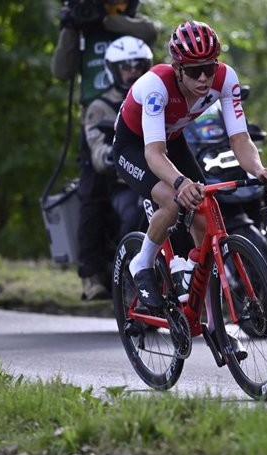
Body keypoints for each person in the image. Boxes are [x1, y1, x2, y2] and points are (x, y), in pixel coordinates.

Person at [111, 20, 267, 318]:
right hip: (135, 146)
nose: (203, 78)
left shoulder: (226, 78)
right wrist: (180, 183)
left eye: (208, 68)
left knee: (205, 214)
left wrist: (259, 170)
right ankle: (143, 262)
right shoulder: (156, 85)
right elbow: (153, 154)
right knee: (172, 200)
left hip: (173, 139)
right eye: (193, 70)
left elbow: (240, 139)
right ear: (177, 67)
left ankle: (208, 313)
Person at [51, 0, 160, 300]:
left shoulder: (133, 26)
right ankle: (91, 273)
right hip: (101, 114)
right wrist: (71, 27)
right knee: (92, 193)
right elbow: (61, 71)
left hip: (138, 111)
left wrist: (105, 18)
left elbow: (152, 31)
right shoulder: (83, 33)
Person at [80, 34, 153, 286]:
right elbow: (97, 150)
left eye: (139, 66)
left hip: (162, 175)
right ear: (113, 70)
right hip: (124, 183)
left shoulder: (156, 96)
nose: (133, 72)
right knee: (136, 216)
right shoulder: (100, 106)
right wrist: (112, 154)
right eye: (126, 67)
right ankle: (131, 285)